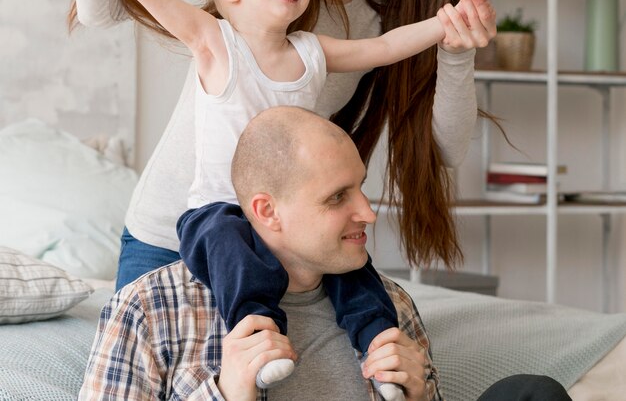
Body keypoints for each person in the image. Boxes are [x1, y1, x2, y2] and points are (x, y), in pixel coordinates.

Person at [50, 0, 497, 290]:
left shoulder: (380, 22)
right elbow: (107, 9)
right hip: (167, 236)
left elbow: (447, 147)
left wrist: (455, 47)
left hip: (279, 250)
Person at [86, 0, 485, 398]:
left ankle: (379, 349)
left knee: (352, 270)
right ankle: (258, 338)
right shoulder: (215, 42)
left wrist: (445, 24)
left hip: (293, 219)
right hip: (219, 209)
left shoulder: (312, 52)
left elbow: (383, 47)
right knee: (237, 263)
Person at [77, 106, 572, 401]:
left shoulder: (389, 305)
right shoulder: (149, 309)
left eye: (359, 188)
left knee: (533, 394)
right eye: (337, 198)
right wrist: (225, 392)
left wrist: (419, 393)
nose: (368, 214)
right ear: (267, 211)